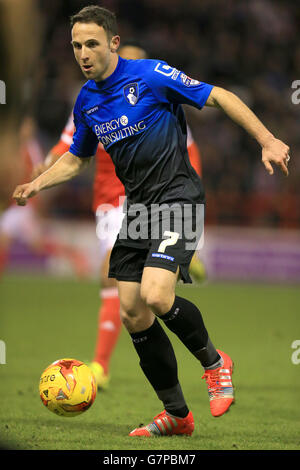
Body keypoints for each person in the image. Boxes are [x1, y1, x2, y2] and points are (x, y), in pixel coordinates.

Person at [13, 6, 290, 437]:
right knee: (132, 312)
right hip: (137, 208)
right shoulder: (87, 100)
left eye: (91, 44)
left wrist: (268, 139)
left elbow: (220, 96)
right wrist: (37, 183)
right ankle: (177, 415)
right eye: (76, 45)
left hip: (178, 197)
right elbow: (78, 158)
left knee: (157, 296)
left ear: (113, 44)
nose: (83, 53)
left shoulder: (151, 75)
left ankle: (216, 364)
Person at [35, 41, 206, 390]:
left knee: (115, 276)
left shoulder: (160, 97)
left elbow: (189, 151)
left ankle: (101, 364)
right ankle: (183, 260)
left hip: (145, 198)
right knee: (122, 288)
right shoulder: (92, 99)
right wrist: (46, 166)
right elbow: (69, 144)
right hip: (108, 202)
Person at [0, 116, 89, 279]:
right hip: (18, 206)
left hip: (25, 205)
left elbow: (39, 172)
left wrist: (36, 201)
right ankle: (74, 257)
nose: (25, 130)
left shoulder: (31, 148)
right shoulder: (23, 148)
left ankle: (75, 256)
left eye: (27, 126)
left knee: (35, 243)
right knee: (17, 240)